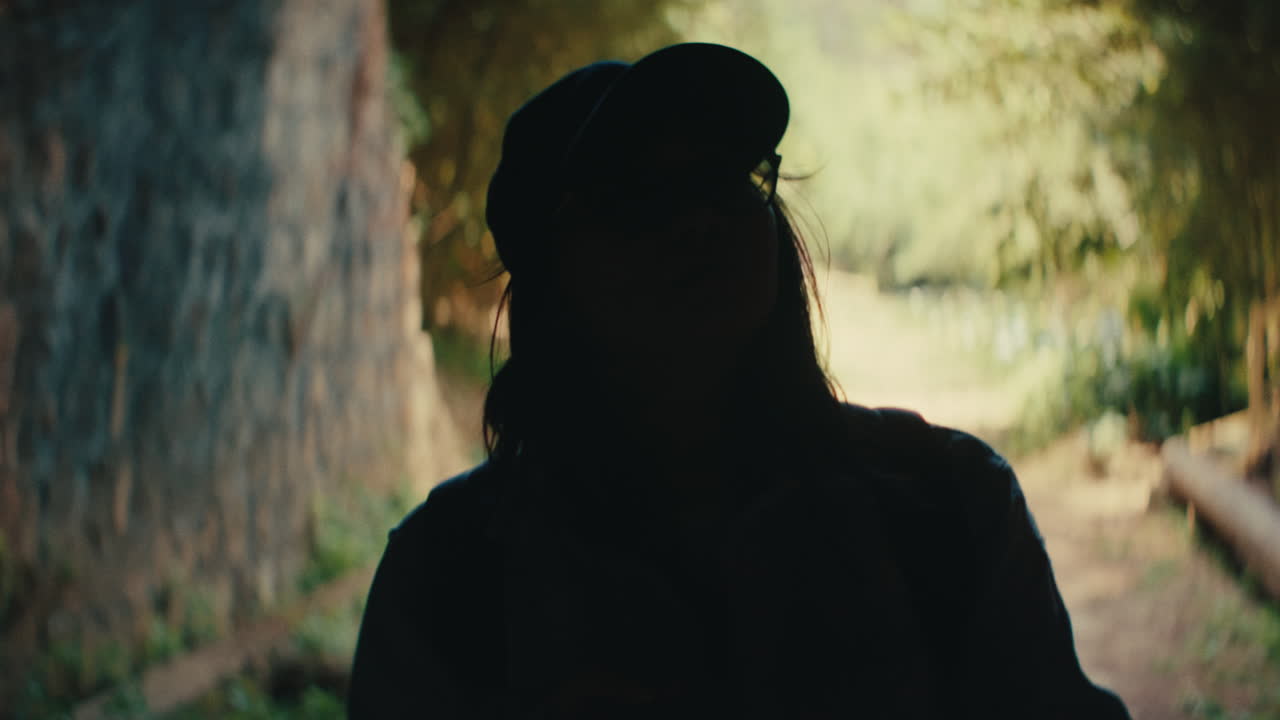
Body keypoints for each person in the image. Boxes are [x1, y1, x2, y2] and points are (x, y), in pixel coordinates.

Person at [348, 42, 1131, 719]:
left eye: (722, 179)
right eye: (634, 198)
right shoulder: (449, 583)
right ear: (550, 279)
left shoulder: (949, 507)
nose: (697, 222)